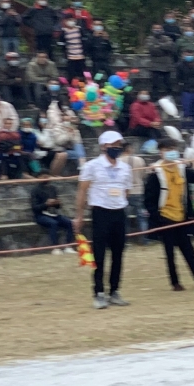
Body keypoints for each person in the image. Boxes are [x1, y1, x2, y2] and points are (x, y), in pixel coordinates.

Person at [75, 130, 133, 309]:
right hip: (100, 212)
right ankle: (99, 292)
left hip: (119, 212)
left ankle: (114, 290)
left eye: (119, 144)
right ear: (103, 146)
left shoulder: (125, 167)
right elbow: (82, 191)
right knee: (99, 254)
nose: (117, 147)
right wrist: (79, 215)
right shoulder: (92, 166)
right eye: (113, 144)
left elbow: (127, 190)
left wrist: (119, 202)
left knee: (118, 254)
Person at [145, 145, 194, 291]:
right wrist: (157, 217)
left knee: (189, 251)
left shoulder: (182, 170)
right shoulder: (155, 174)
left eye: (174, 149)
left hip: (182, 218)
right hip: (165, 218)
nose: (172, 152)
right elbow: (148, 200)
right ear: (161, 152)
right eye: (168, 149)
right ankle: (175, 282)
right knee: (169, 253)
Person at [32, 172, 75, 253]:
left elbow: (58, 207)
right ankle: (55, 247)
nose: (46, 178)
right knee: (53, 223)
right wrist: (46, 204)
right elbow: (34, 207)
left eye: (47, 177)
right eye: (44, 177)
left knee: (69, 222)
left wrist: (57, 203)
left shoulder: (53, 188)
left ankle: (68, 246)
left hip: (54, 214)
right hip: (40, 215)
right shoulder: (35, 190)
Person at [123, 138, 154, 244]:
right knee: (142, 217)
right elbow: (143, 175)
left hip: (124, 192)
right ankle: (145, 239)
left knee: (124, 218)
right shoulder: (139, 160)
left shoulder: (117, 161)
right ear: (129, 149)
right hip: (138, 191)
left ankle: (125, 240)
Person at [146, 24, 175, 99]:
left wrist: (158, 45)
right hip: (155, 64)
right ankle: (155, 99)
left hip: (166, 64)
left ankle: (169, 98)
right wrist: (163, 48)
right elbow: (152, 49)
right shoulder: (149, 39)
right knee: (155, 84)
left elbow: (170, 47)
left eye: (159, 28)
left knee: (168, 83)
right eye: (155, 28)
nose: (157, 30)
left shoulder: (167, 38)